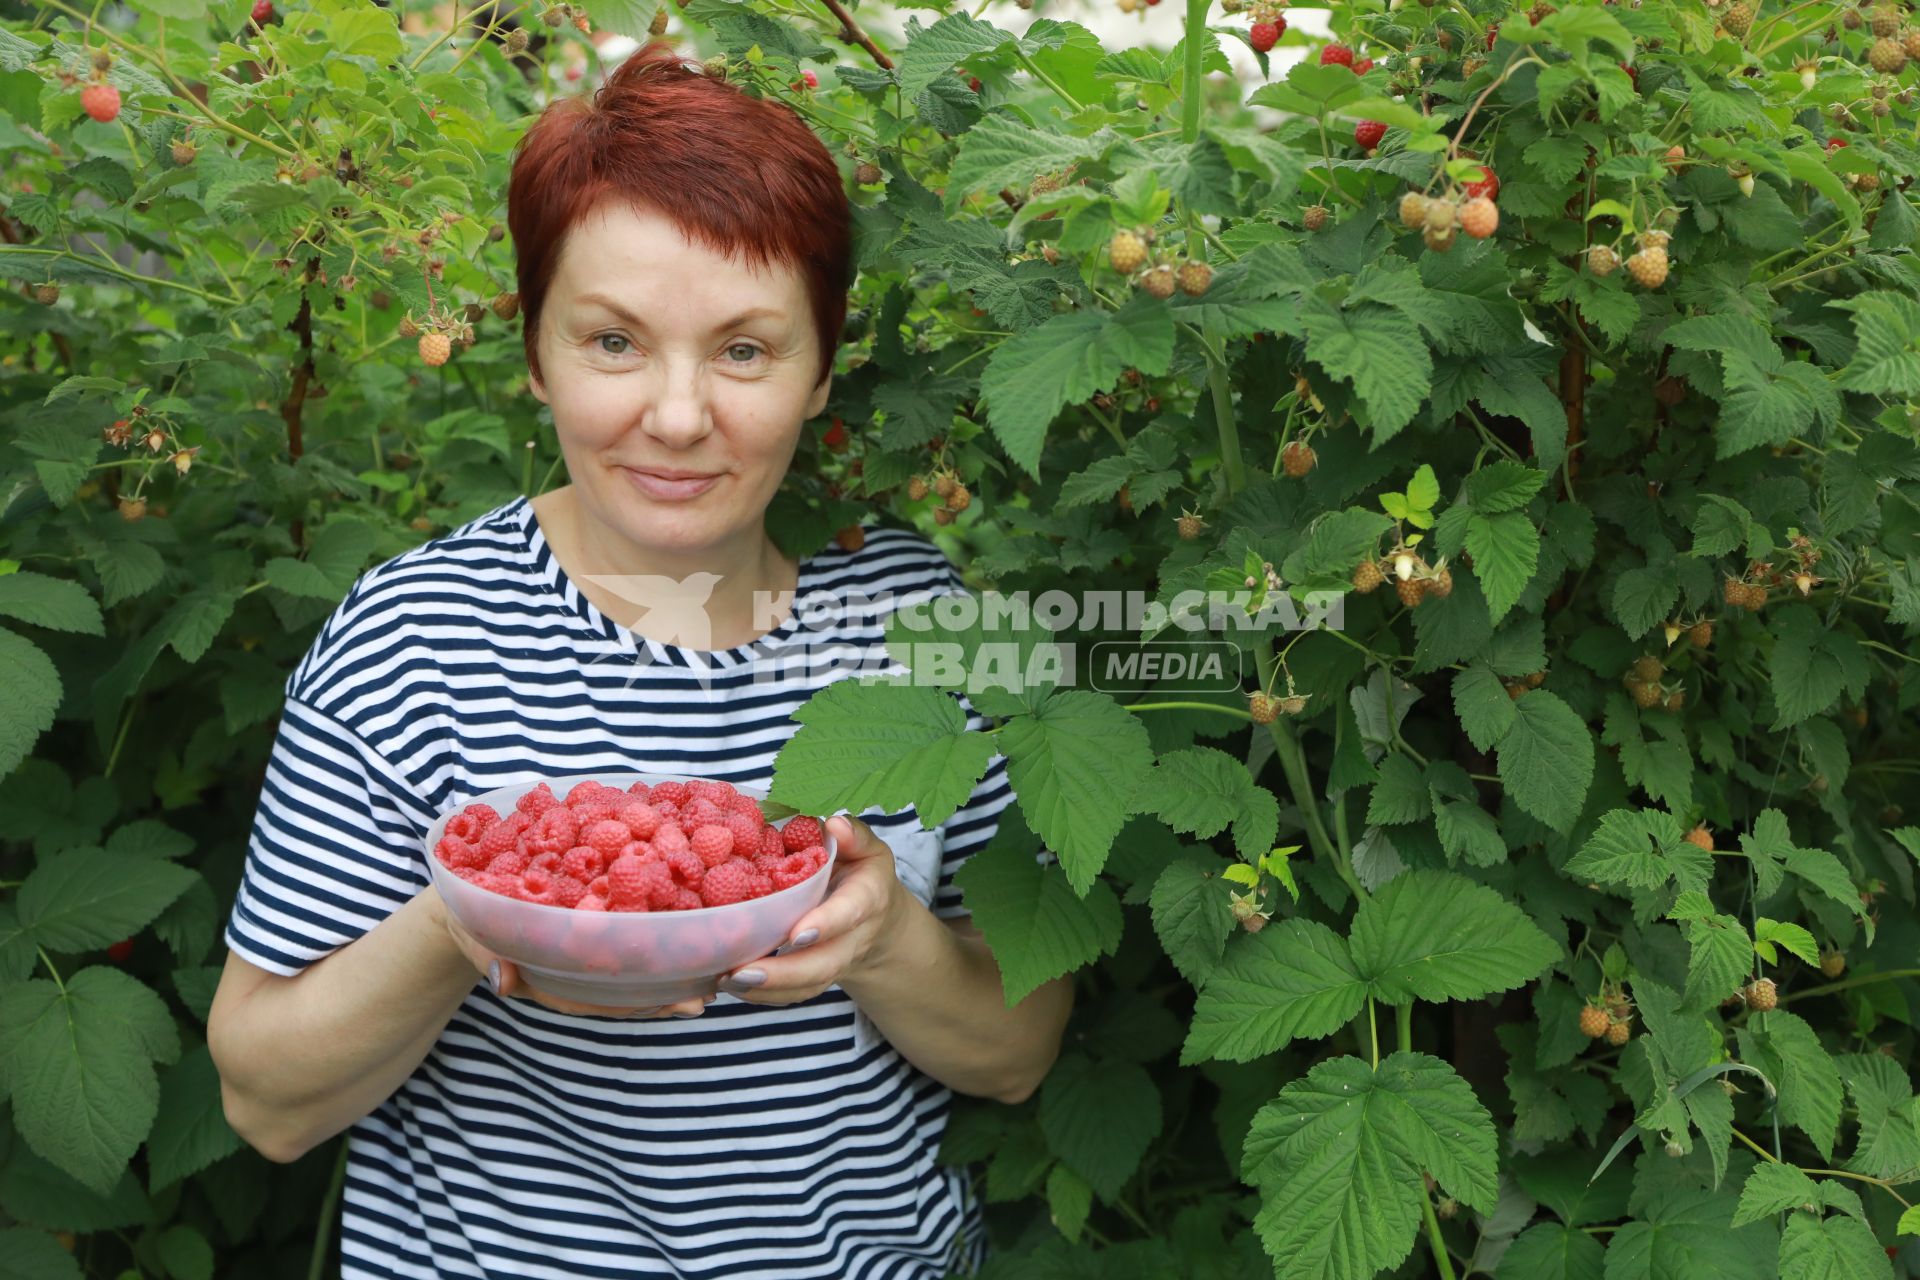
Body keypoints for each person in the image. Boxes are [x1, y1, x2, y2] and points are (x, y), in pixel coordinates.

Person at [207, 41, 1073, 1280]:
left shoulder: (920, 617)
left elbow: (1019, 1048)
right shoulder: (414, 641)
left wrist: (886, 938)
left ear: (821, 368)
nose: (675, 415)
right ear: (537, 355)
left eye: (743, 349)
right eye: (614, 342)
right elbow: (264, 1098)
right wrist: (469, 912)